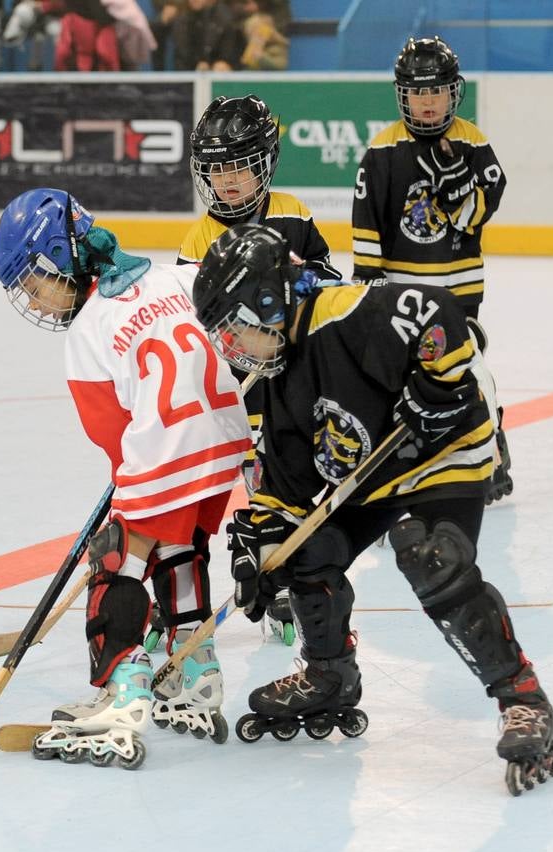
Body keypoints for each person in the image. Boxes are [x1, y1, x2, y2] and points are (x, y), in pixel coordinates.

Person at [192, 223, 553, 796]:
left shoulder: (344, 311)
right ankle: (328, 675)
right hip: (373, 476)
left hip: (443, 452)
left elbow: (438, 312)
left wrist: (436, 389)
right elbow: (284, 489)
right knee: (302, 555)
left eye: (234, 328)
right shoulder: (277, 378)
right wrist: (261, 549)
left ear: (268, 299)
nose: (232, 347)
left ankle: (522, 697)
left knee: (431, 558)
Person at [0, 188, 252, 768]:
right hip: (226, 444)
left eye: (34, 283)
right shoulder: (172, 277)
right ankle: (195, 671)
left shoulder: (89, 327)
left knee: (117, 554)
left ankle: (122, 691)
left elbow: (113, 438)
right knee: (180, 547)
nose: (35, 299)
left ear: (60, 257)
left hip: (168, 449)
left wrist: (132, 495)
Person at [177, 94, 341, 645]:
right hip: (242, 393)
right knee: (261, 484)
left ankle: (296, 584)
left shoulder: (292, 212)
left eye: (240, 169)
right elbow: (194, 325)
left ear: (265, 163)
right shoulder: (197, 240)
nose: (227, 183)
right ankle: (271, 585)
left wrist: (307, 281)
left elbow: (328, 281)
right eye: (216, 171)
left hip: (296, 383)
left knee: (296, 486)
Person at [352, 36, 513, 503]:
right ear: (403, 95)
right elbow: (368, 224)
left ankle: (491, 444)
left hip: (459, 286)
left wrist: (461, 191)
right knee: (400, 376)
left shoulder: (474, 141)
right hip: (402, 289)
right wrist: (368, 285)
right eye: (418, 92)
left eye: (436, 91)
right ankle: (404, 457)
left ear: (452, 92)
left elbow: (482, 209)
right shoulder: (382, 151)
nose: (427, 102)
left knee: (468, 368)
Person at [171, 0, 241, 71]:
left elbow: (229, 51)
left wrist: (221, 63)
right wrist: (198, 63)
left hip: (216, 71)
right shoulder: (182, 21)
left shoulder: (225, 18)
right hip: (187, 73)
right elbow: (183, 52)